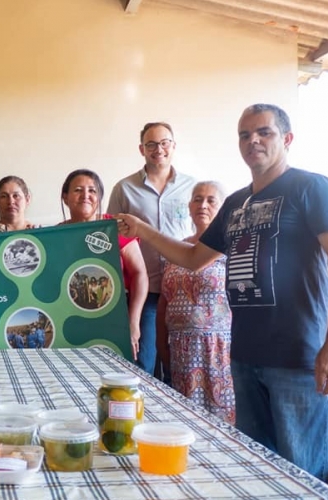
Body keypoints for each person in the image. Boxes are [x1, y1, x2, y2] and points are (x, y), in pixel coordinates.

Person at [117, 104, 328, 480]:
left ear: (287, 139)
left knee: (302, 473)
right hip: (244, 358)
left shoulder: (311, 188)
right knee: (258, 468)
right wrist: (142, 229)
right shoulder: (235, 204)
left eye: (264, 132)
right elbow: (194, 256)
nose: (253, 141)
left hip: (299, 358)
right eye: (245, 135)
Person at [106, 122, 197, 376]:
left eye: (164, 142)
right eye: (151, 144)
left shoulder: (192, 188)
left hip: (183, 291)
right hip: (145, 293)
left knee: (182, 365)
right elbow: (112, 239)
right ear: (141, 149)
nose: (159, 149)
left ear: (173, 146)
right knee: (142, 364)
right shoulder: (124, 189)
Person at [157, 181, 234, 423]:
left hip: (220, 352)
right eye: (197, 199)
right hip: (181, 352)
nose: (203, 205)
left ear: (222, 209)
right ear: (189, 207)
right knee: (185, 422)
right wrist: (163, 348)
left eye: (211, 200)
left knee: (223, 421)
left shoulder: (232, 249)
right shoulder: (176, 249)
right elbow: (164, 302)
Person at [60, 169, 149, 360]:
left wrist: (133, 323)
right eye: (78, 190)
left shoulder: (117, 227)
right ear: (65, 197)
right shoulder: (56, 234)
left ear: (99, 198)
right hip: (73, 318)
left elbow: (140, 274)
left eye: (92, 191)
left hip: (116, 315)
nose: (86, 195)